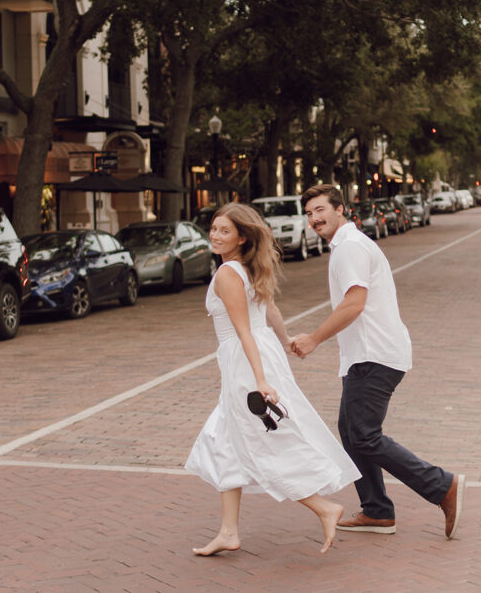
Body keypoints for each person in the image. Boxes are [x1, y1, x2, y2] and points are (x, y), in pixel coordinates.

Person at [290, 184, 464, 539]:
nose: (314, 219)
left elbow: (354, 303)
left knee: (364, 436)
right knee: (352, 433)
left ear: (340, 209)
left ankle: (441, 485)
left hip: (374, 354)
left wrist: (314, 339)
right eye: (309, 213)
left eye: (320, 210)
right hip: (368, 354)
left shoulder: (349, 247)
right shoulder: (348, 245)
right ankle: (377, 511)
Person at [186, 202, 360, 556]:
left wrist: (261, 380)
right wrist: (285, 343)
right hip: (258, 354)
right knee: (224, 441)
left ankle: (324, 507)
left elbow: (244, 331)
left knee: (263, 442)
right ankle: (228, 532)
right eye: (214, 229)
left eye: (224, 231)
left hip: (245, 363)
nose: (215, 236)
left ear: (242, 237)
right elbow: (270, 311)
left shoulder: (226, 275)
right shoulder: (249, 269)